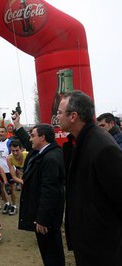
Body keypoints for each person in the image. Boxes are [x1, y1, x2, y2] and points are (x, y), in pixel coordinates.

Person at [57, 91, 122, 265]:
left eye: (59, 112)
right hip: (87, 242)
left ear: (73, 116)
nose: (56, 117)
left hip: (103, 247)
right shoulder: (78, 142)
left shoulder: (102, 147)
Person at [13, 115, 65, 266]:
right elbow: (27, 143)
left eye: (33, 136)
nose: (30, 139)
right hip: (43, 213)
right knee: (48, 251)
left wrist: (42, 218)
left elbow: (50, 192)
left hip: (47, 217)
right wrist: (17, 125)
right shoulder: (41, 151)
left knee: (52, 252)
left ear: (42, 137)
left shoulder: (51, 158)